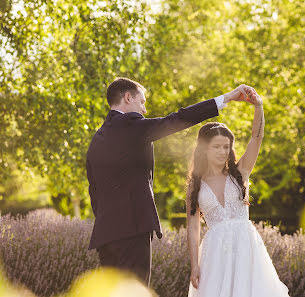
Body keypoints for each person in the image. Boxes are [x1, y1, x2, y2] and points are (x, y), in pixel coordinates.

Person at [86, 77, 250, 286]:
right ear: (128, 98)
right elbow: (177, 119)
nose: (144, 110)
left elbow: (94, 192)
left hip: (106, 236)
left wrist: (110, 221)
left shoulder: (97, 139)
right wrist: (225, 98)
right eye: (142, 102)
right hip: (132, 232)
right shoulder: (130, 126)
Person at [186, 87, 290, 297]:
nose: (223, 152)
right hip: (216, 254)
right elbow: (193, 228)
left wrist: (258, 106)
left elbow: (256, 138)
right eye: (217, 147)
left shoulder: (239, 173)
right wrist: (194, 265)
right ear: (204, 148)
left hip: (247, 248)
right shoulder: (195, 184)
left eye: (226, 147)